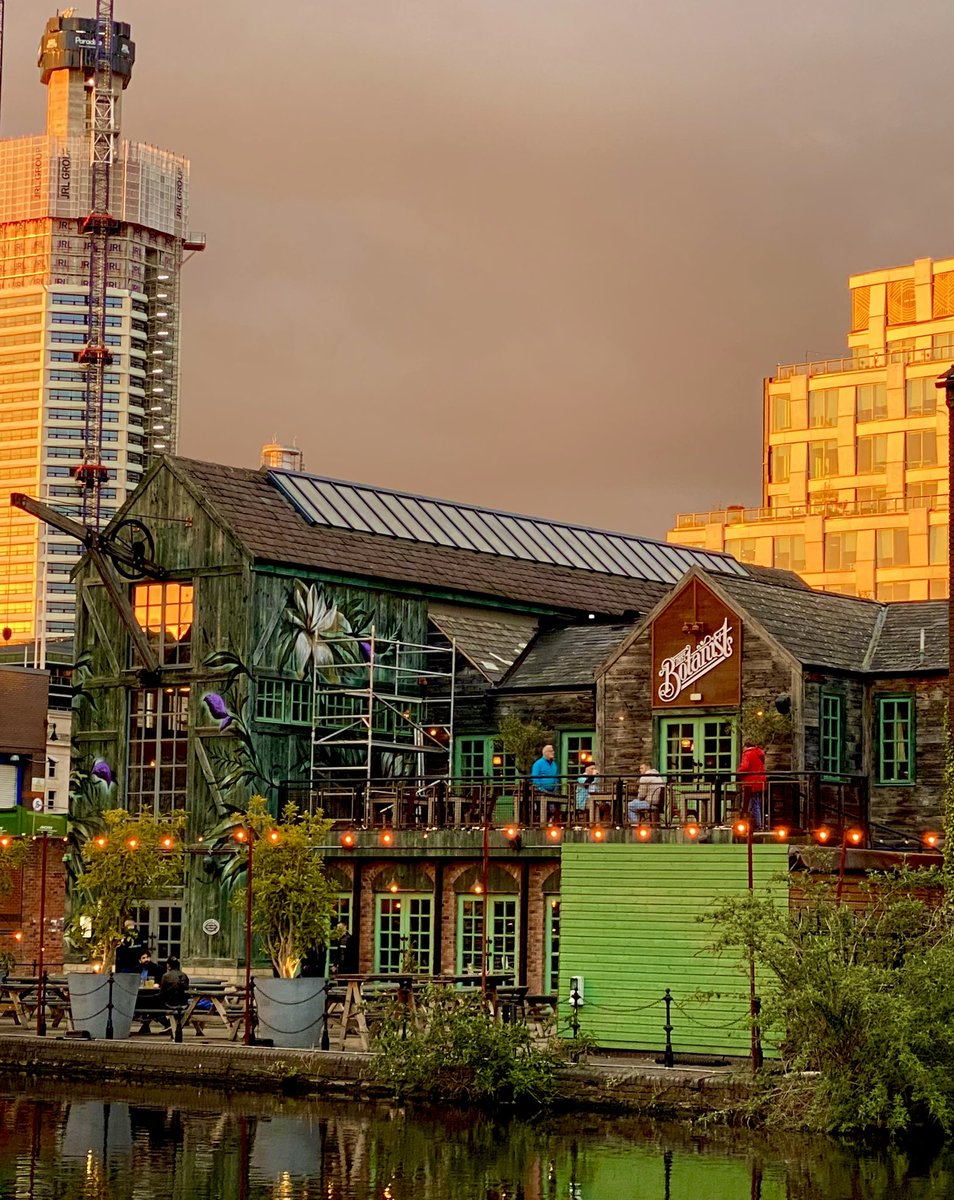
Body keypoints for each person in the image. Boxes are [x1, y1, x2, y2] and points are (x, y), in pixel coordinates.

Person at [737, 741, 767, 830]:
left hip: (751, 782)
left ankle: (757, 824)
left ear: (745, 746)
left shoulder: (748, 754)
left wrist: (737, 773)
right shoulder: (758, 753)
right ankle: (756, 823)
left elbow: (745, 767)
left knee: (752, 803)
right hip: (759, 781)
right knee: (755, 802)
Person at [531, 743, 560, 820]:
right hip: (541, 791)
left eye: (553, 751)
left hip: (552, 791)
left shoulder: (554, 764)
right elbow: (535, 778)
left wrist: (556, 787)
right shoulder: (538, 764)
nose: (553, 752)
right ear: (545, 753)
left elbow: (556, 777)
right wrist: (541, 789)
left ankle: (554, 823)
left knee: (554, 809)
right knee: (542, 810)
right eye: (551, 751)